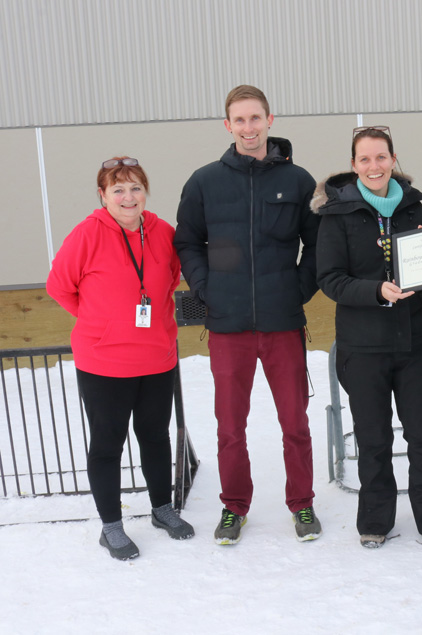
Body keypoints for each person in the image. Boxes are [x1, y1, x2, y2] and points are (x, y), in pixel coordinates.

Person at [174, 85, 322, 544]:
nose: (248, 127)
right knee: (230, 426)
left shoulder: (297, 181)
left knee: (295, 422)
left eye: (255, 118)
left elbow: (318, 245)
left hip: (282, 324)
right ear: (227, 125)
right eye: (239, 120)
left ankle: (302, 504)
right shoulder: (204, 182)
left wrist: (296, 291)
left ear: (270, 120)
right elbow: (187, 242)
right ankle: (234, 507)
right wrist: (206, 288)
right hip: (228, 326)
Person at [314, 126, 422, 550]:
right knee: (373, 437)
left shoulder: (414, 208)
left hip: (414, 344)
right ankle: (375, 521)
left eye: (381, 157)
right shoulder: (336, 216)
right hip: (363, 347)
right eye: (365, 159)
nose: (374, 166)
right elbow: (330, 279)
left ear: (393, 159)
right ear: (354, 165)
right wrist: (375, 291)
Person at [47, 157, 194, 560]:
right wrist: (100, 322)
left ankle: (163, 510)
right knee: (108, 444)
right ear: (103, 195)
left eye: (135, 188)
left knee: (155, 437)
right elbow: (59, 286)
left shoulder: (163, 232)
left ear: (145, 192)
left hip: (157, 357)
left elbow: (174, 277)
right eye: (118, 190)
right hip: (103, 362)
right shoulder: (86, 235)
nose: (128, 198)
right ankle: (111, 526)